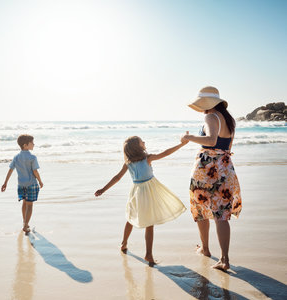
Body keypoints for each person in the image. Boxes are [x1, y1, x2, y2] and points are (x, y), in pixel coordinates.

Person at [94, 136, 187, 265]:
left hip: (136, 192)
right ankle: (148, 254)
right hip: (148, 191)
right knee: (149, 223)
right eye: (141, 142)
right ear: (138, 147)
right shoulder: (147, 159)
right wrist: (181, 145)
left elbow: (117, 177)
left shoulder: (128, 163)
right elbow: (165, 153)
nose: (144, 142)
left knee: (130, 218)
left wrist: (103, 189)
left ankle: (123, 243)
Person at [182, 86, 242, 271]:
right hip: (225, 168)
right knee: (221, 215)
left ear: (205, 104)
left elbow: (211, 140)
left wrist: (188, 137)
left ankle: (206, 249)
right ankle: (224, 259)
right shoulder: (228, 120)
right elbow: (226, 146)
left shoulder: (210, 116)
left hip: (206, 170)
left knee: (201, 209)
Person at [1, 134, 44, 233]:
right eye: (32, 143)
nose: (34, 144)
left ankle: (25, 222)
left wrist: (5, 183)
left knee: (24, 203)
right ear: (25, 145)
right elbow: (35, 171)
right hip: (31, 184)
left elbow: (10, 170)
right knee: (30, 205)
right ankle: (25, 225)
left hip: (21, 184)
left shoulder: (16, 157)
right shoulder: (32, 157)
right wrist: (40, 181)